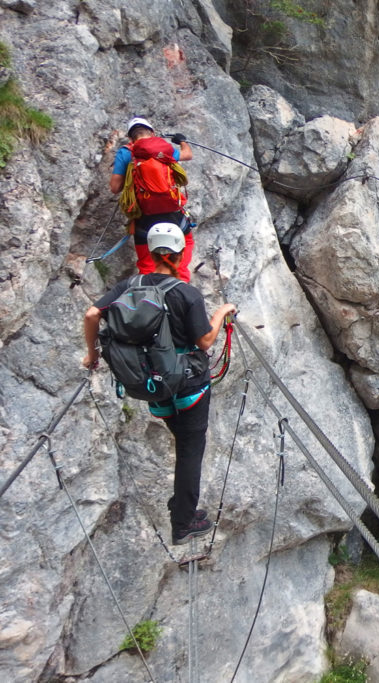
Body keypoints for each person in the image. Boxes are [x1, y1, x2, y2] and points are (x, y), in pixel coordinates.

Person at [82, 223, 236, 545]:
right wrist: (222, 312)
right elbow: (206, 341)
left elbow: (92, 314)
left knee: (183, 441)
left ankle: (181, 501)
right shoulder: (186, 293)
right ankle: (183, 522)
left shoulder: (129, 285)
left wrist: (91, 355)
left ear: (151, 253)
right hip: (190, 386)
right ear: (179, 254)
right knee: (191, 451)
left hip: (152, 387)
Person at [110, 116, 196, 282]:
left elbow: (115, 188)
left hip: (145, 218)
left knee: (147, 266)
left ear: (130, 138)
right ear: (152, 133)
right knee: (182, 258)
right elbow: (187, 155)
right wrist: (182, 141)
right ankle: (180, 293)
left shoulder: (126, 152)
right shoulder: (163, 149)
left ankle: (146, 299)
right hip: (174, 215)